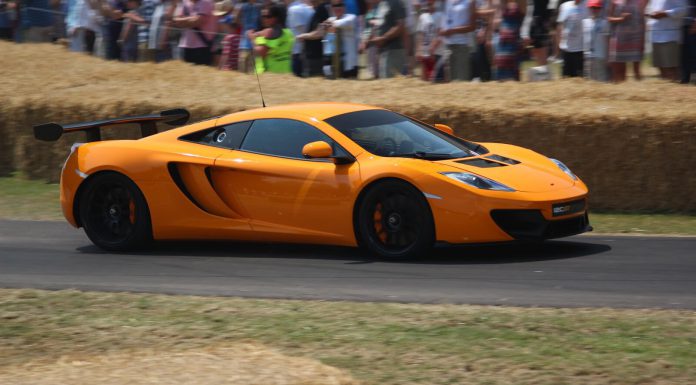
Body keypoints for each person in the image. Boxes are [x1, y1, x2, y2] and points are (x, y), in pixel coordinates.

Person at [646, 0, 687, 81]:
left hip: (670, 35)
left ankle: (675, 89)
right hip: (655, 34)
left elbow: (683, 10)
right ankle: (665, 88)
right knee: (660, 66)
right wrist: (649, 16)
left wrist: (665, 13)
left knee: (671, 67)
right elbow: (649, 10)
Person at [249, 4, 294, 73]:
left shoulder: (272, 32)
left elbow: (261, 52)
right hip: (286, 70)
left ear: (276, 18)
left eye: (268, 16)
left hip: (272, 71)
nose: (265, 19)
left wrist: (252, 39)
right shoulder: (289, 32)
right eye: (263, 16)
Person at [607, 0, 645, 82]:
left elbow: (642, 20)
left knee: (637, 71)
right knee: (619, 70)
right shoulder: (615, 2)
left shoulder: (639, 2)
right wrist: (621, 18)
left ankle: (640, 91)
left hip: (636, 38)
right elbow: (609, 18)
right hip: (619, 38)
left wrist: (643, 38)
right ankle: (621, 89)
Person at [439, 0, 476, 81]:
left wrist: (452, 31)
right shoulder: (448, 2)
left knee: (462, 80)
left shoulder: (470, 2)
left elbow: (472, 26)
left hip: (462, 45)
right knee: (449, 81)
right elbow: (444, 23)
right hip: (448, 45)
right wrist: (443, 31)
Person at [171, 0, 217, 65]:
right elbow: (175, 21)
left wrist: (183, 21)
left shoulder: (206, 2)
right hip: (186, 46)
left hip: (203, 47)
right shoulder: (184, 2)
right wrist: (192, 18)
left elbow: (197, 21)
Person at [369, 0, 406, 78]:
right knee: (384, 82)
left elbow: (400, 26)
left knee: (390, 84)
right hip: (383, 51)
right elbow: (380, 24)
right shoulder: (381, 4)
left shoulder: (396, 2)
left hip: (394, 50)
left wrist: (383, 38)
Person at [324, 0, 358, 77]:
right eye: (335, 6)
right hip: (336, 64)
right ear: (331, 8)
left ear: (344, 6)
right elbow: (328, 41)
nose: (338, 8)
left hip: (350, 64)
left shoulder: (351, 17)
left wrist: (327, 24)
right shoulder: (330, 19)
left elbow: (341, 23)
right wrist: (327, 62)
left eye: (340, 5)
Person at [494, 0, 526, 80]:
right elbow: (499, 14)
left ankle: (513, 82)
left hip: (515, 38)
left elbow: (524, 13)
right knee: (501, 62)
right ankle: (502, 82)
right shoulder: (503, 4)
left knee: (513, 63)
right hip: (503, 38)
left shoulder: (520, 3)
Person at [296, 0, 330, 76]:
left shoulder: (322, 10)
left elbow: (319, 33)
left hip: (316, 58)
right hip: (311, 56)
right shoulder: (316, 9)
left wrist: (303, 36)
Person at [415, 0, 444, 81]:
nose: (429, 6)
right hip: (425, 52)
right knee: (424, 79)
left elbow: (441, 34)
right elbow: (420, 34)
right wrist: (418, 50)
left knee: (435, 79)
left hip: (437, 52)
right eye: (428, 4)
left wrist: (433, 47)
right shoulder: (423, 16)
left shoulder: (440, 16)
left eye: (431, 4)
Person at [557, 0, 587, 77]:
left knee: (579, 77)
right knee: (566, 77)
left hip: (580, 49)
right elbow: (560, 25)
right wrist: (559, 44)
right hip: (566, 48)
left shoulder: (588, 5)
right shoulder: (564, 6)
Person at [583, 0, 609, 80]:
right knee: (589, 78)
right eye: (592, 8)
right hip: (588, 55)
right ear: (589, 9)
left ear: (600, 9)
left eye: (597, 8)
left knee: (601, 78)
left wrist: (607, 57)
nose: (594, 10)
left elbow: (607, 41)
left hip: (600, 55)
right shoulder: (584, 22)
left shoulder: (604, 23)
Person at [286, 0, 314, 76]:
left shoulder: (294, 9)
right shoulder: (305, 7)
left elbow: (302, 31)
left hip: (298, 52)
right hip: (304, 51)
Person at [235, 0, 262, 72]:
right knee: (244, 64)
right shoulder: (243, 6)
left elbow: (236, 20)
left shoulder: (259, 6)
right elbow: (237, 20)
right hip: (248, 39)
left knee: (248, 65)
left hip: (252, 39)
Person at [681, 0, 696, 83]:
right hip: (684, 25)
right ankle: (685, 79)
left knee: (693, 53)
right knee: (685, 54)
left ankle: (693, 78)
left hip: (692, 25)